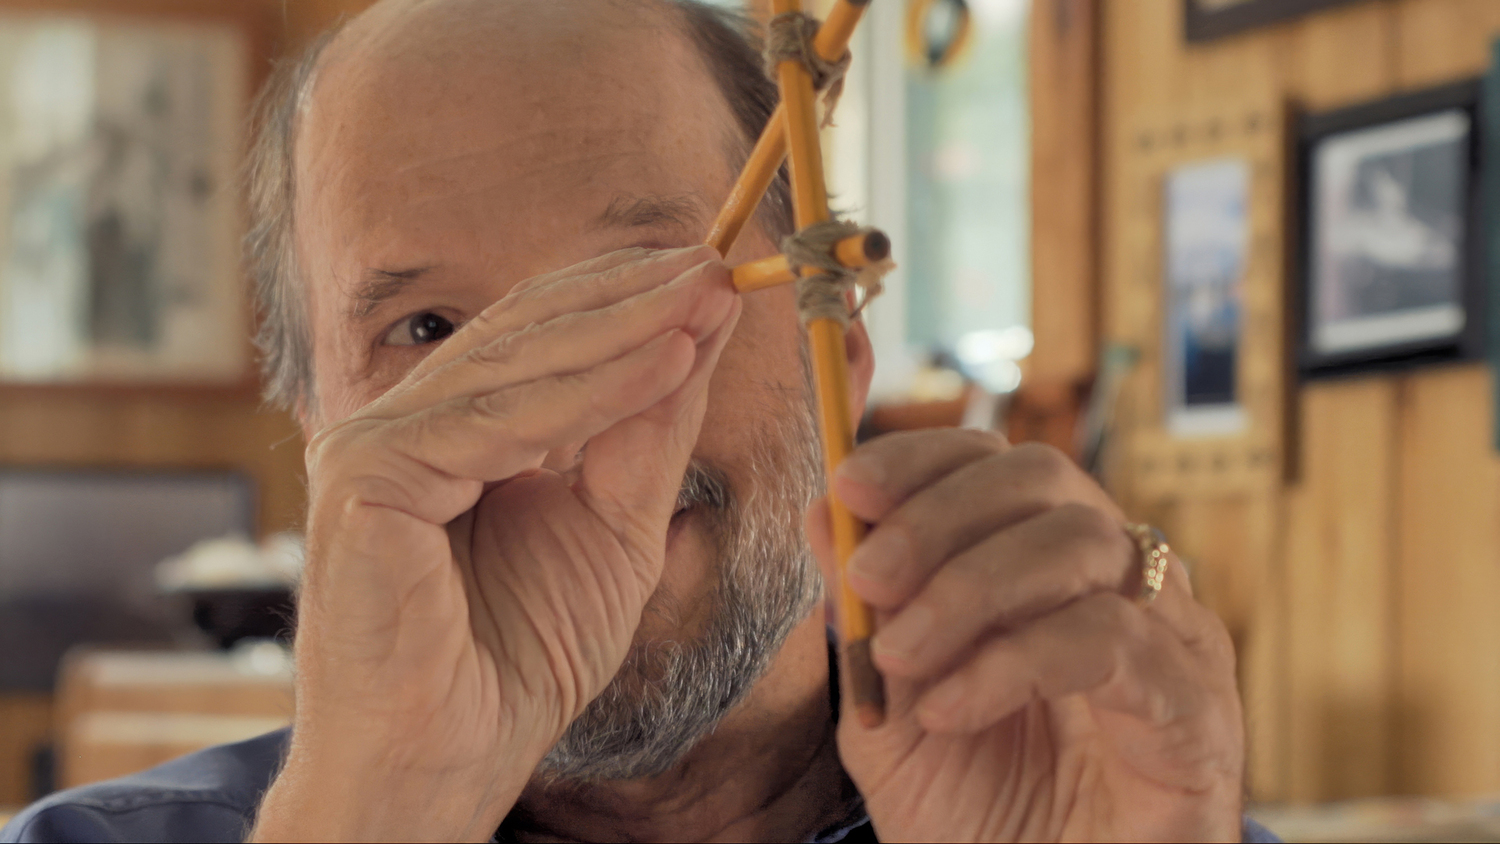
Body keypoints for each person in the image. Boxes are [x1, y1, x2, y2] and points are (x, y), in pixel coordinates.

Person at [2, 1, 1273, 841]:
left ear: (838, 345)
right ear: (316, 425)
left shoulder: (1108, 808)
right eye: (429, 331)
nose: (558, 436)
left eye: (645, 290)